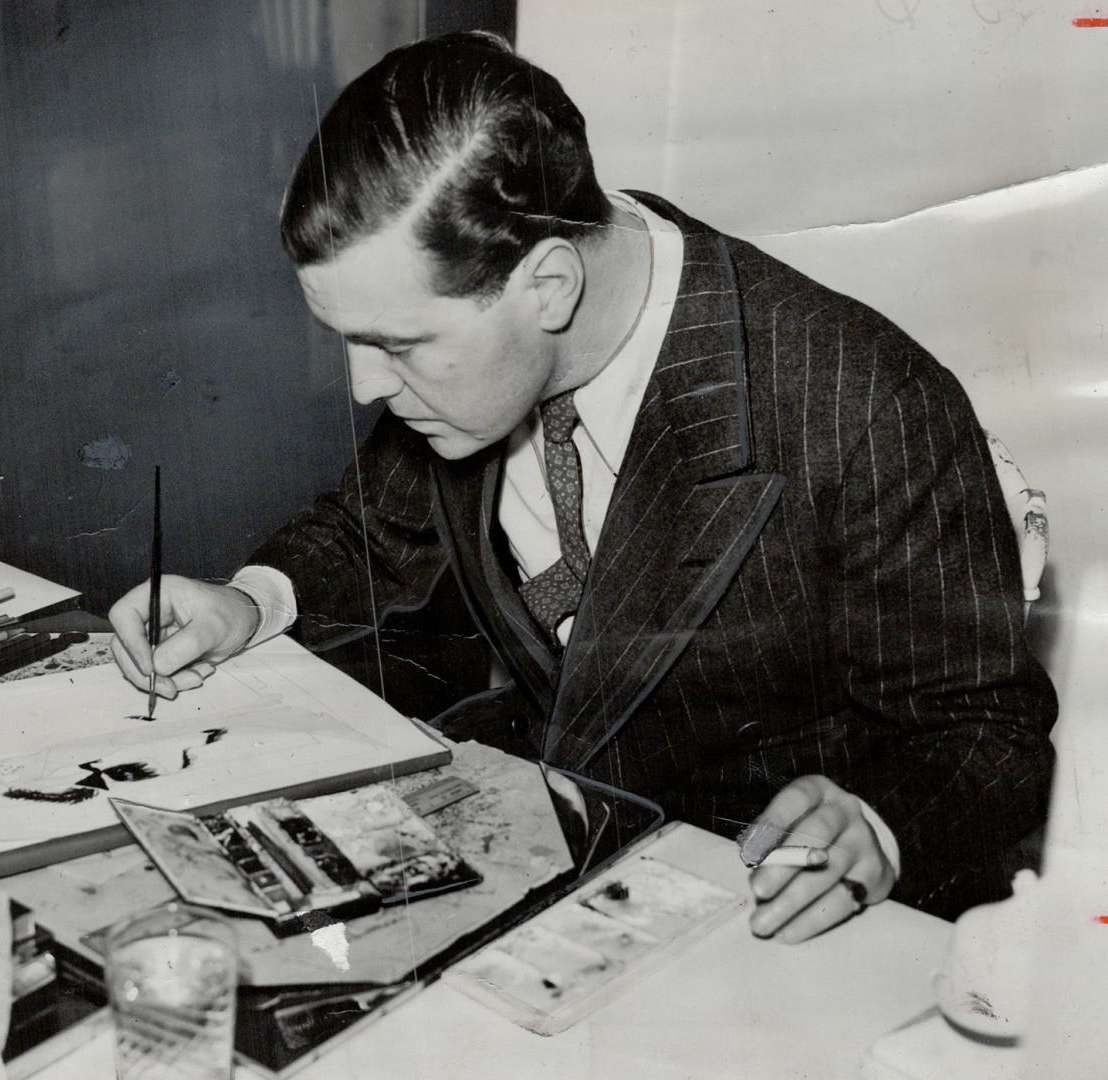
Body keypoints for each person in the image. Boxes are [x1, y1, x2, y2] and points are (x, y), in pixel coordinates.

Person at [110, 32, 1056, 938]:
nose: (366, 387)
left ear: (551, 285)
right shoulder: (472, 355)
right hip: (535, 853)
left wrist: (878, 825)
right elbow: (377, 530)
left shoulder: (862, 400)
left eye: (395, 344)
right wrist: (246, 601)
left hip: (748, 910)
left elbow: (987, 730)